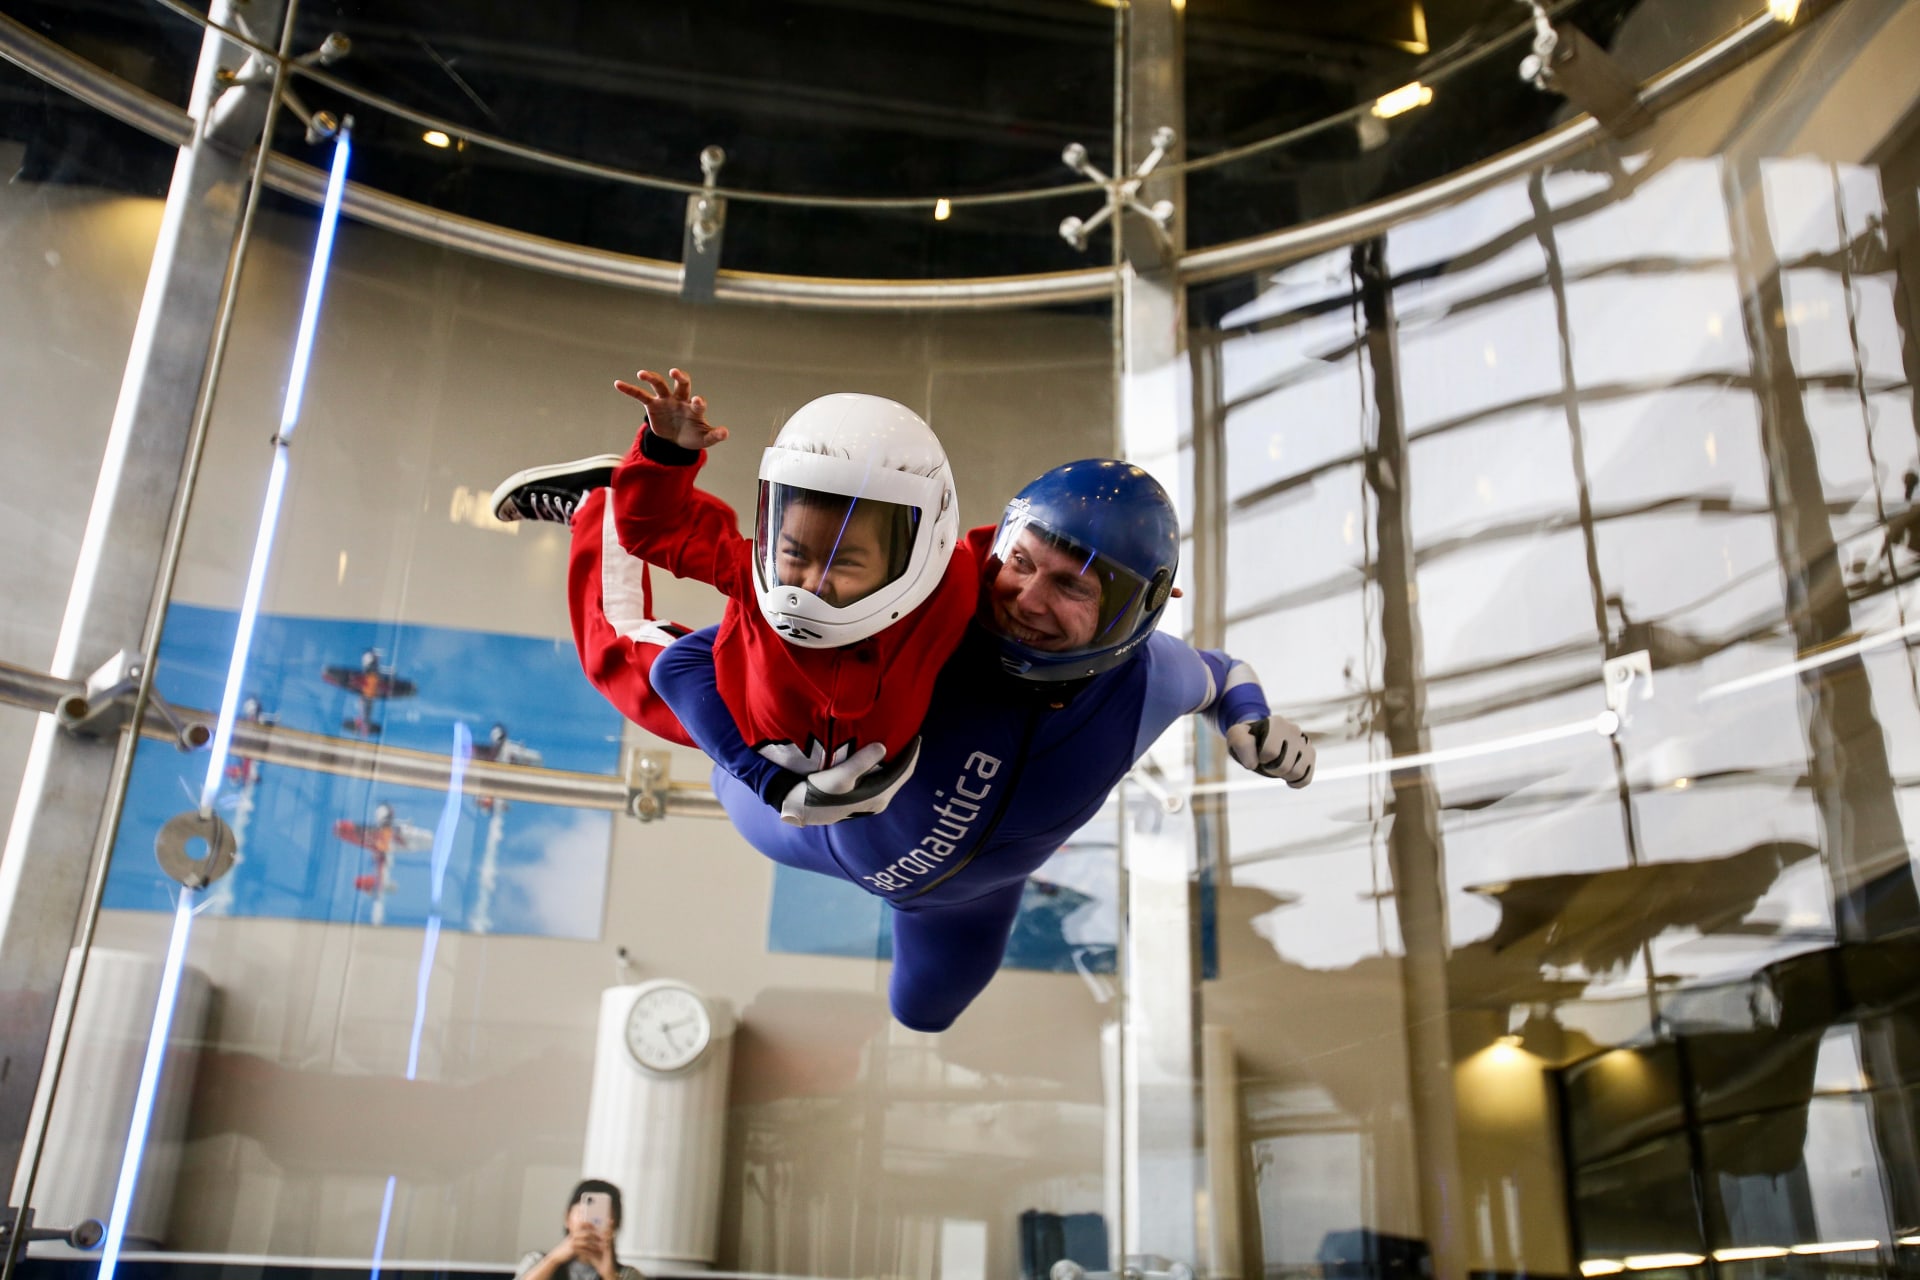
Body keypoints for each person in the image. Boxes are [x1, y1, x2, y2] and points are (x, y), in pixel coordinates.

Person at [650, 458, 1316, 1031]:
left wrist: (1248, 718)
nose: (1026, 599)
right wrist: (765, 779)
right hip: (800, 820)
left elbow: (1218, 673)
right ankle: (615, 533)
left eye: (1071, 585)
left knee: (923, 1014)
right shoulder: (923, 609)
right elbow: (683, 665)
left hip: (963, 900)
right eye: (1019, 562)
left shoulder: (1151, 679)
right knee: (719, 709)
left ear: (1144, 610)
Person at [491, 369, 978, 822]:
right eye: (793, 552)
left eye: (844, 562)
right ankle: (603, 503)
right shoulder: (752, 571)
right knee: (611, 651)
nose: (810, 583)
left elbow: (1028, 554)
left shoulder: (953, 583)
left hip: (752, 731)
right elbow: (655, 535)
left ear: (926, 551)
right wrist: (666, 455)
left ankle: (628, 488)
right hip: (731, 707)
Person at [516, 1179, 646, 1280]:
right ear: (567, 1218)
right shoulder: (537, 1261)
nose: (590, 1223)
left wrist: (609, 1274)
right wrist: (553, 1260)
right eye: (583, 1213)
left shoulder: (628, 1275)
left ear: (615, 1224)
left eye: (602, 1215)